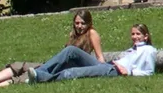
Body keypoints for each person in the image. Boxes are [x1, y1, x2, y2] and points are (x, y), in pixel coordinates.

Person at [0, 11, 104, 90]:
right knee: (19, 65)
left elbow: (99, 58)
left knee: (26, 76)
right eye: (77, 23)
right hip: (55, 65)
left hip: (69, 70)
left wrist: (105, 70)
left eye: (82, 23)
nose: (79, 26)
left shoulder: (92, 33)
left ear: (89, 23)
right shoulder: (73, 34)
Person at [28, 24, 156, 83]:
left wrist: (130, 72)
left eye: (138, 34)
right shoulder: (132, 49)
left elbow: (149, 71)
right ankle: (41, 72)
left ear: (146, 36)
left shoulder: (148, 50)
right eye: (133, 34)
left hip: (113, 71)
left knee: (72, 72)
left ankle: (42, 78)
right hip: (108, 66)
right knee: (70, 50)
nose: (134, 37)